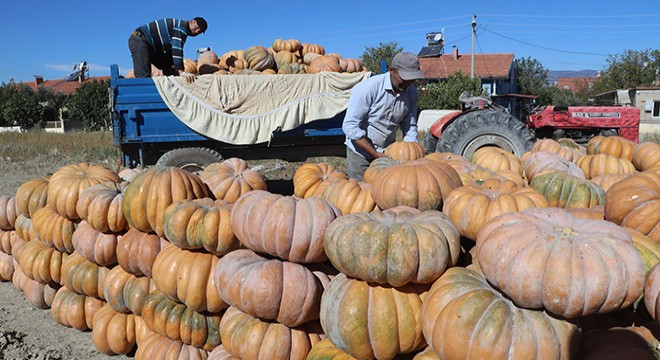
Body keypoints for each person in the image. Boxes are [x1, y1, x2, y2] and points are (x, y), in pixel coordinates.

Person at [342, 51, 424, 181]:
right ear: (392, 70)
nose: (408, 83)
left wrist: (412, 153)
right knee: (362, 192)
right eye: (404, 78)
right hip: (361, 153)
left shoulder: (411, 92)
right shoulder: (368, 88)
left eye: (412, 79)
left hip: (387, 153)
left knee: (385, 194)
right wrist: (375, 154)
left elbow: (409, 125)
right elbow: (350, 127)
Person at [128, 17, 207, 82]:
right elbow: (177, 49)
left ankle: (173, 82)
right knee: (143, 75)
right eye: (196, 28)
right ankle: (144, 98)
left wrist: (174, 70)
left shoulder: (181, 28)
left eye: (199, 32)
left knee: (169, 62)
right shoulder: (182, 28)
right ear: (192, 21)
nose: (196, 32)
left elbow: (172, 52)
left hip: (152, 47)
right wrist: (181, 71)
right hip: (140, 40)